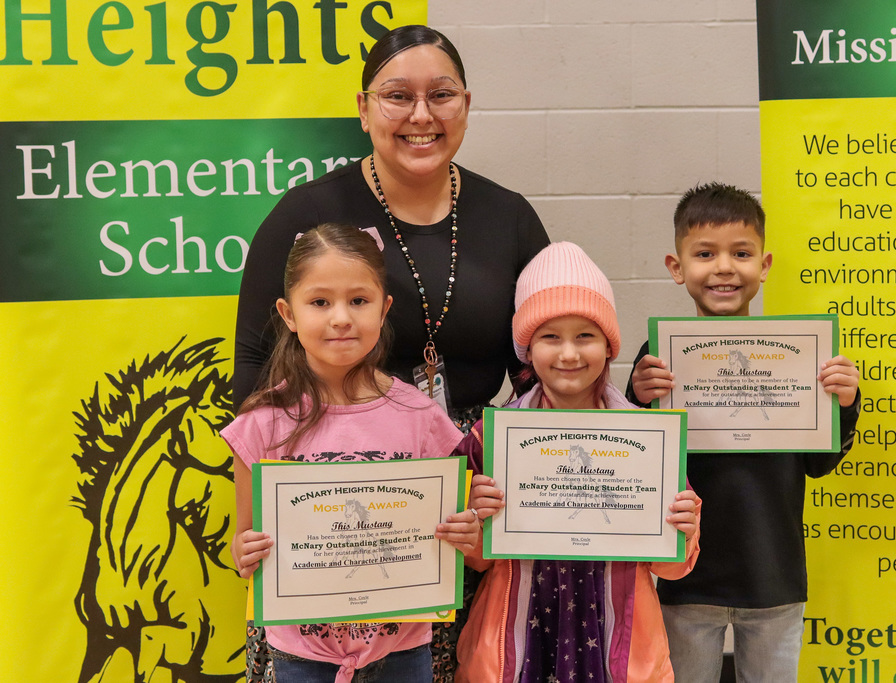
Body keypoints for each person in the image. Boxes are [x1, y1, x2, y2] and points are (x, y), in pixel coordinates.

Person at [232, 25, 550, 680]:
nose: (421, 115)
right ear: (363, 107)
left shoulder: (509, 216)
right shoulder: (309, 213)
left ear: (466, 103)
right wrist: (282, 515)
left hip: (462, 507)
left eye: (442, 95)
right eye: (397, 96)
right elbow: (250, 368)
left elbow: (545, 366)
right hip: (329, 512)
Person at [223, 224, 480, 683]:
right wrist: (245, 553)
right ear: (288, 313)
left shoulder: (421, 417)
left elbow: (451, 534)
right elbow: (241, 548)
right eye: (320, 302)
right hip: (302, 656)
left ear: (384, 310)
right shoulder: (262, 423)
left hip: (404, 651)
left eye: (358, 301)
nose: (341, 317)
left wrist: (464, 531)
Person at [625, 183, 861, 682]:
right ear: (677, 266)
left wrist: (843, 403)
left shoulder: (799, 355)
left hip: (772, 572)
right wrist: (639, 398)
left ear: (765, 265)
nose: (725, 267)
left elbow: (819, 465)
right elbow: (635, 469)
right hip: (684, 576)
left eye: (742, 253)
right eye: (705, 254)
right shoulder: (659, 357)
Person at [455, 242, 702, 683]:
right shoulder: (489, 438)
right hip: (517, 639)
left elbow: (671, 566)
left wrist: (684, 528)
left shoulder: (649, 438)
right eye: (551, 337)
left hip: (617, 642)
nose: (569, 354)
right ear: (528, 350)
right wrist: (472, 522)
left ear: (608, 346)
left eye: (585, 335)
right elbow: (474, 560)